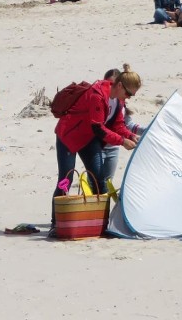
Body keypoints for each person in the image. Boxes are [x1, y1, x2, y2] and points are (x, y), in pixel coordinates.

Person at [49, 64, 141, 238]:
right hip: (69, 136)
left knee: (99, 179)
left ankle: (101, 223)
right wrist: (122, 141)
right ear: (120, 86)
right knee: (65, 179)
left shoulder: (119, 100)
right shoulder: (97, 95)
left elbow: (117, 125)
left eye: (132, 95)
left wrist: (130, 135)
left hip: (88, 139)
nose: (129, 98)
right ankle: (56, 224)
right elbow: (98, 128)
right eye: (129, 93)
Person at [100, 69, 144, 183]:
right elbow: (97, 127)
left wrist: (146, 132)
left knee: (107, 182)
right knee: (96, 183)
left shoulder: (120, 103)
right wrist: (123, 140)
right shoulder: (101, 98)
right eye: (108, 84)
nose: (111, 87)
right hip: (98, 146)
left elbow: (127, 125)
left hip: (113, 148)